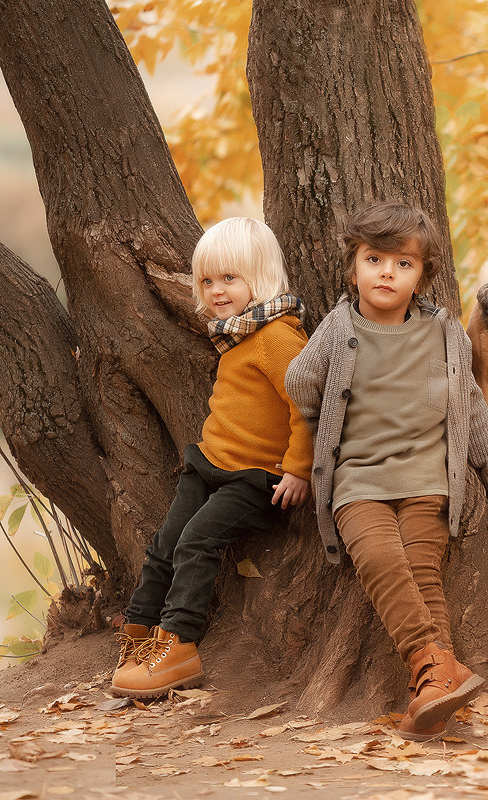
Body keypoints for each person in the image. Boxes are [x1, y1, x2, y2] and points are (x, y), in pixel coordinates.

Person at [284, 201, 488, 741]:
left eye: (403, 263)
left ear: (423, 276)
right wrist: (319, 404)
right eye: (374, 259)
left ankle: (429, 690)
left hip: (426, 480)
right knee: (378, 558)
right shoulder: (338, 327)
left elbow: (468, 400)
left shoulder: (441, 332)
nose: (387, 272)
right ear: (354, 269)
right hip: (358, 481)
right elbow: (300, 382)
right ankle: (434, 666)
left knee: (422, 571)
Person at [110, 217, 313, 698]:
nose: (216, 291)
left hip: (256, 478)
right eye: (207, 281)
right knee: (165, 542)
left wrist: (300, 470)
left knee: (196, 542)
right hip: (210, 463)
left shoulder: (278, 336)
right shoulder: (236, 334)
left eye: (229, 278)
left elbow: (308, 403)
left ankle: (179, 646)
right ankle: (140, 633)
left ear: (259, 278)